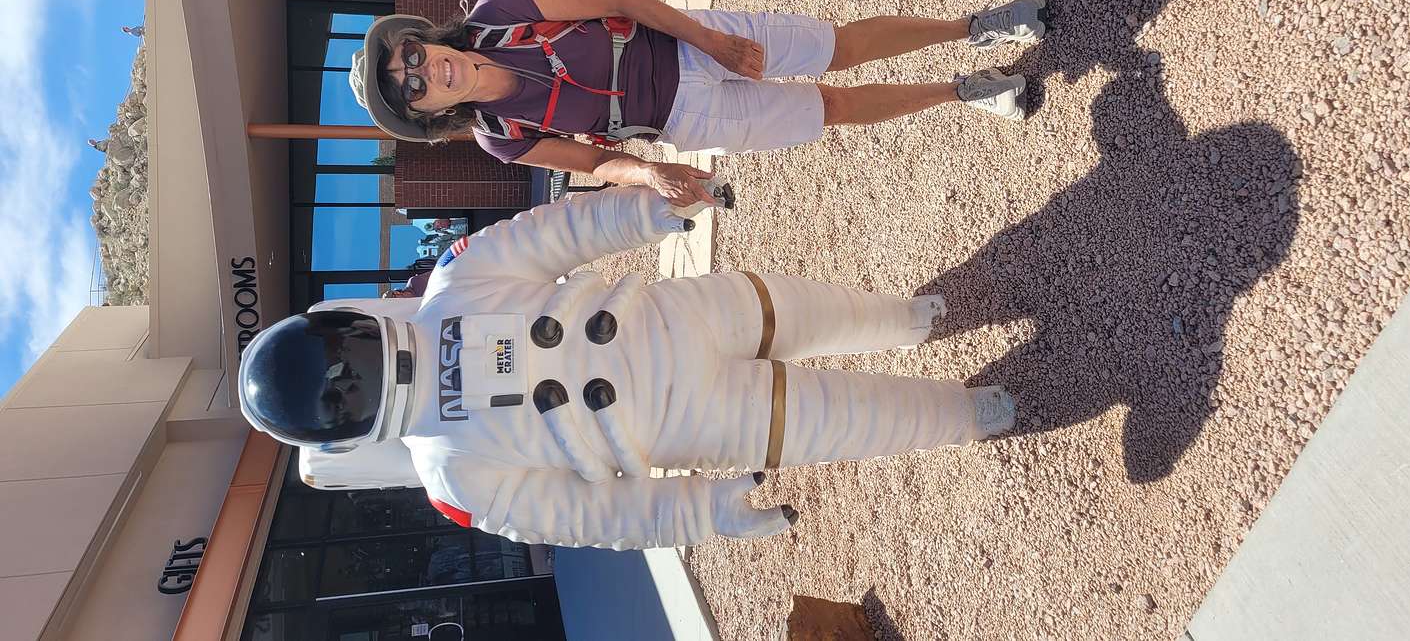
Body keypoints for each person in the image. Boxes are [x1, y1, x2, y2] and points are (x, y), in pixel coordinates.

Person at [237, 185, 1015, 550]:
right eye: (346, 388)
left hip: (686, 313)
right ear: (340, 431)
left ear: (345, 322)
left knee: (818, 310)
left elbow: (556, 234)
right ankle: (969, 414)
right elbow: (590, 519)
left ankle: (906, 319)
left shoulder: (456, 282)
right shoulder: (454, 476)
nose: (358, 372)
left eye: (346, 354)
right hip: (697, 423)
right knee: (848, 419)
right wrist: (702, 513)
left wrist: (647, 211)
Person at [347, 0, 1048, 206]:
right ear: (427, 114)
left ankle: (976, 26)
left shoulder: (502, 12)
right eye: (411, 88)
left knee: (837, 47)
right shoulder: (501, 139)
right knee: (827, 109)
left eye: (411, 55)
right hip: (684, 115)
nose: (423, 70)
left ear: (423, 38)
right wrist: (647, 171)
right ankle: (964, 92)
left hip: (683, 40)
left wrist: (711, 41)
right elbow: (593, 164)